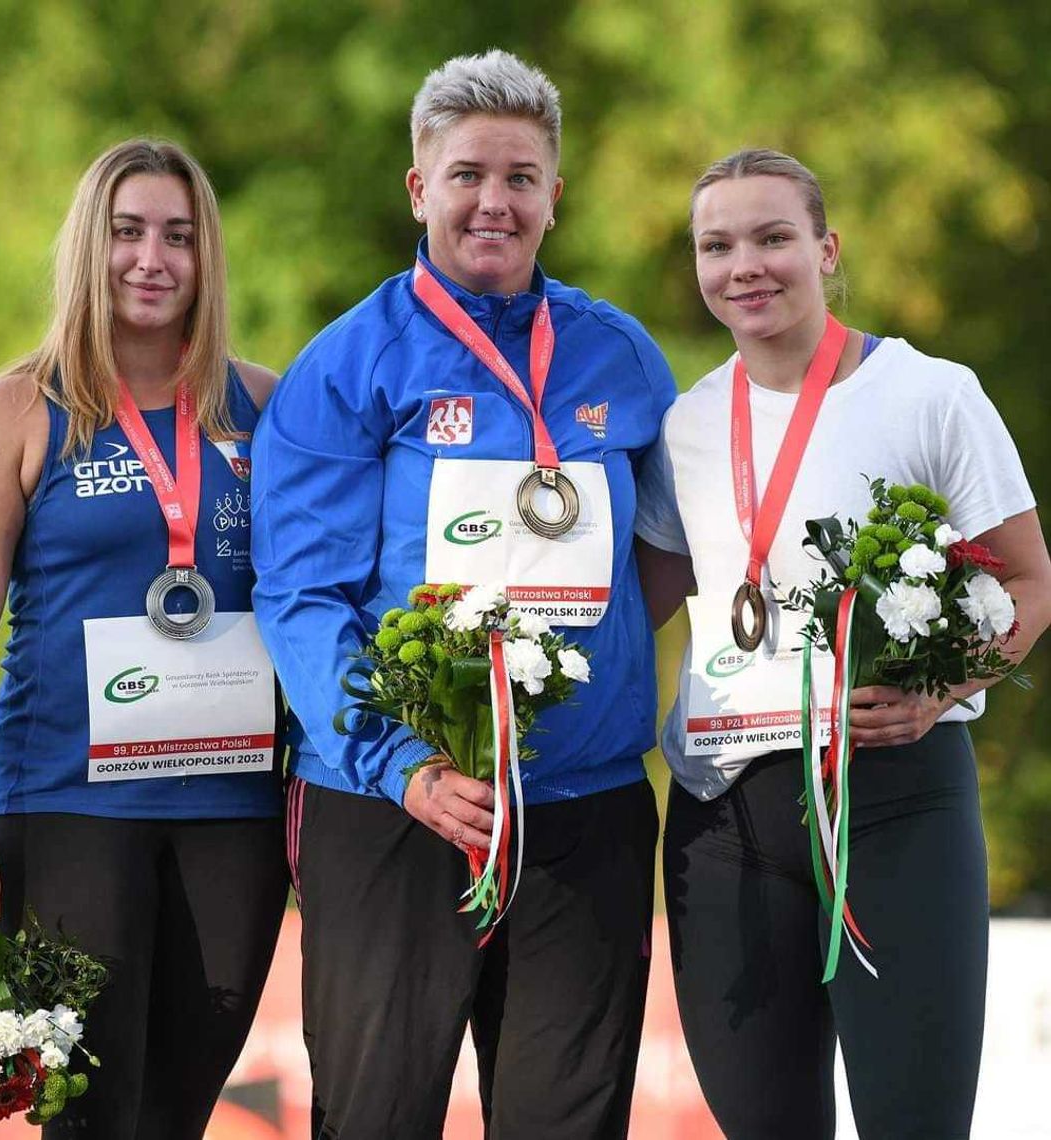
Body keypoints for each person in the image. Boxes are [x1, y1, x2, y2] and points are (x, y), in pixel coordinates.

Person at [253, 49, 676, 1140]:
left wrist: (607, 661)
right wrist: (409, 765)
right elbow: (302, 599)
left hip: (581, 807)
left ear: (554, 197)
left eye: (522, 176)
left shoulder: (620, 356)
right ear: (418, 188)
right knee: (377, 1117)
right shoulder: (349, 366)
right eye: (468, 174)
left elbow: (667, 556)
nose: (495, 200)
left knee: (567, 1122)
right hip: (394, 808)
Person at [635, 148, 1051, 1139]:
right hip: (723, 822)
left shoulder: (929, 394)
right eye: (717, 244)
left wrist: (939, 692)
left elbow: (1030, 583)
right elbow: (635, 611)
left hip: (895, 804)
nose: (747, 265)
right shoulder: (684, 426)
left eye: (773, 237)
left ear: (826, 248)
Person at [0, 138, 289, 1139]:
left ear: (206, 256)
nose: (153, 258)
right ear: (91, 245)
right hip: (70, 804)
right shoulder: (13, 412)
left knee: (177, 1107)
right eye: (128, 232)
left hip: (233, 808)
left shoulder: (267, 407)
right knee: (88, 1110)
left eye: (179, 235)